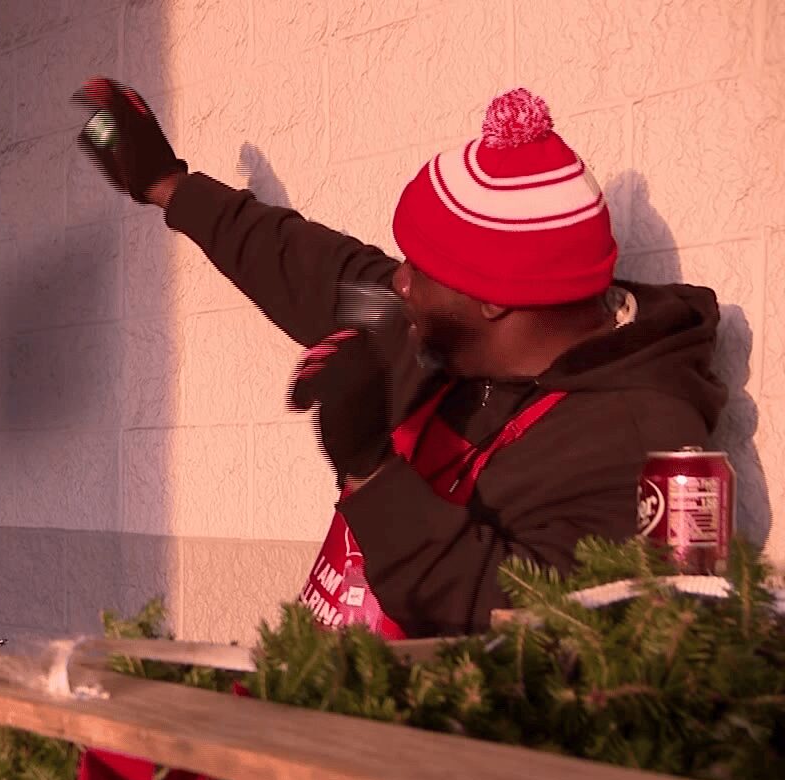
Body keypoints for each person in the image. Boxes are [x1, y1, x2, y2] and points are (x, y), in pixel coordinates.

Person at [76, 80, 728, 637]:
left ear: (495, 302)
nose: (401, 283)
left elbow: (531, 632)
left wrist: (371, 472)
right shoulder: (451, 332)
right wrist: (169, 186)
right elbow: (305, 266)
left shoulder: (649, 452)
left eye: (422, 269)